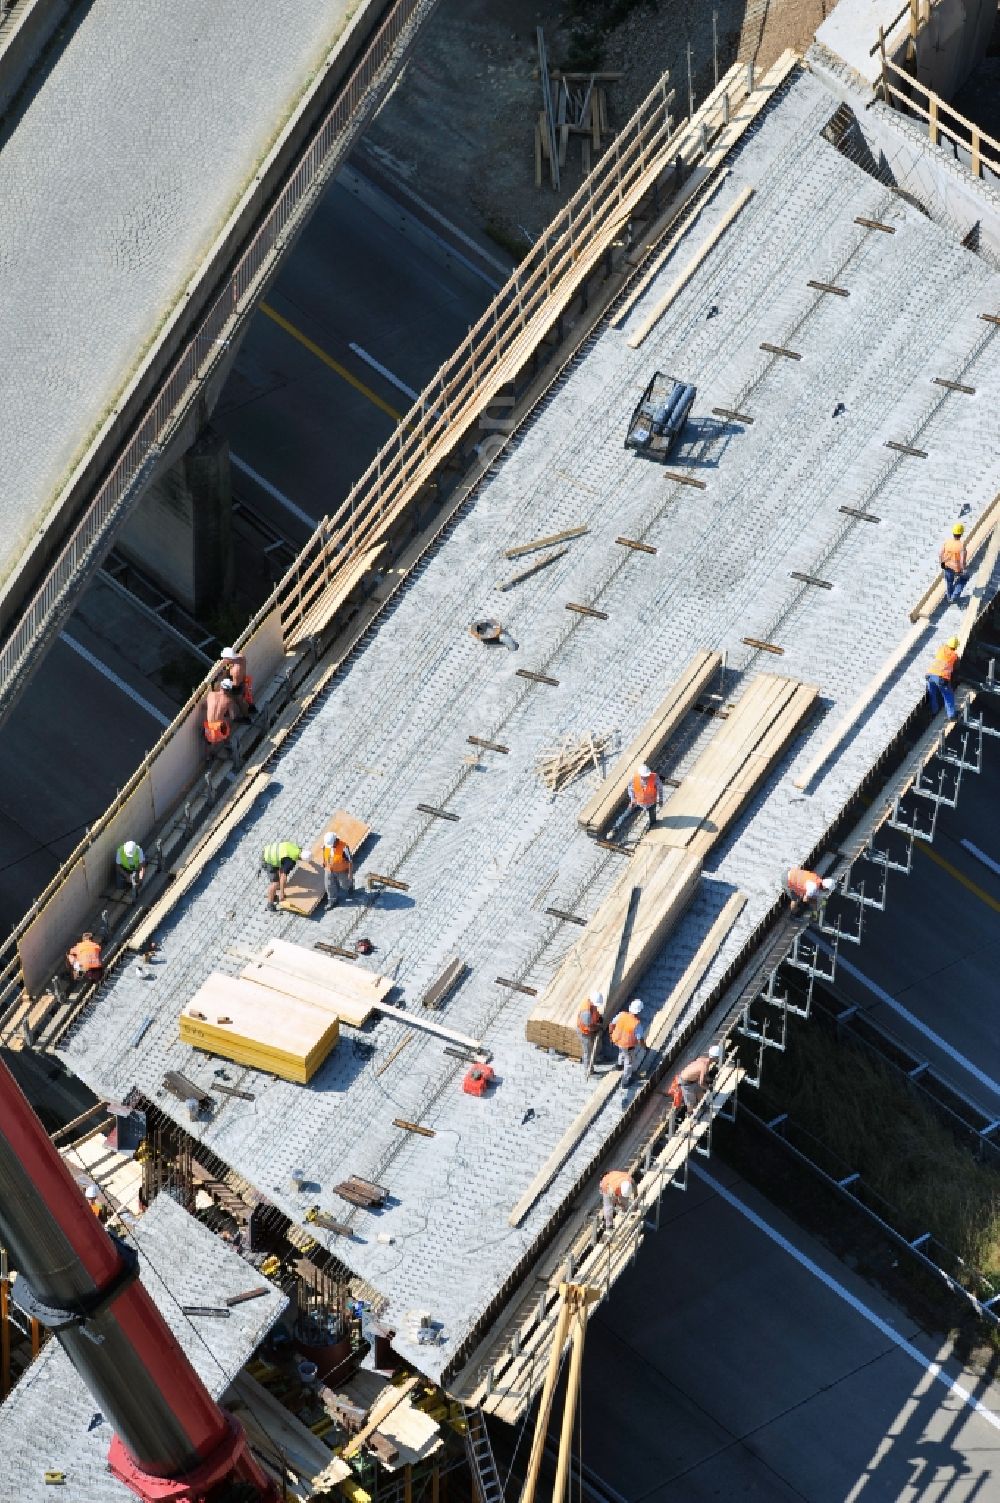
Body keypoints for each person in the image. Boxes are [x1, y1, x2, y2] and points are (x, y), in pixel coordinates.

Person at [609, 999, 646, 1088]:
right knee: (629, 1063)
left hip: (617, 1040)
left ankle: (619, 1065)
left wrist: (611, 1035)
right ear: (639, 1011)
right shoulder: (636, 1023)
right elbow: (640, 1038)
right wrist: (644, 1047)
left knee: (621, 1052)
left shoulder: (622, 1015)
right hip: (627, 1046)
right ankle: (625, 1082)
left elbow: (611, 1024)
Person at [677, 1045, 722, 1113]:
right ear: (715, 1058)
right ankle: (690, 1113)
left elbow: (702, 1075)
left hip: (693, 1080)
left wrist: (709, 1080)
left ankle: (702, 1106)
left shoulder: (702, 1059)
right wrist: (708, 1088)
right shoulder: (704, 1067)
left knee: (700, 1092)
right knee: (690, 1101)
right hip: (685, 1083)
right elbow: (701, 1083)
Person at [926, 635, 960, 722]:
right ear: (955, 647)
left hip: (930, 675)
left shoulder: (941, 649)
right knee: (948, 695)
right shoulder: (954, 656)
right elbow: (956, 667)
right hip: (941, 678)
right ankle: (952, 715)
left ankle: (934, 712)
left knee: (932, 694)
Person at [262, 840, 303, 908]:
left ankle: (274, 895)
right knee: (275, 883)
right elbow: (283, 876)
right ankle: (270, 904)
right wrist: (282, 893)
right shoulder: (290, 861)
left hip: (270, 852)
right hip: (267, 859)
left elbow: (282, 869)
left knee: (279, 876)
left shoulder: (296, 848)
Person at [203, 679, 237, 756]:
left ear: (221, 686)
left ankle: (208, 759)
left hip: (209, 726)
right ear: (229, 690)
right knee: (225, 726)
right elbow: (232, 717)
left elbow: (204, 706)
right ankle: (228, 746)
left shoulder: (211, 694)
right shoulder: (229, 700)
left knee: (209, 743)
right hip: (219, 728)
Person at [321, 831, 354, 910]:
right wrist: (324, 862)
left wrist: (350, 873)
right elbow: (324, 853)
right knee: (328, 885)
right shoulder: (326, 845)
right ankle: (332, 901)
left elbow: (350, 861)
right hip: (329, 869)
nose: (331, 846)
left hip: (341, 870)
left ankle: (350, 885)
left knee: (344, 885)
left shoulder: (344, 847)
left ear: (336, 840)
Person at [220, 647, 255, 718]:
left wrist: (225, 683)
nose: (223, 660)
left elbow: (236, 684)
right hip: (244, 680)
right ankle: (252, 708)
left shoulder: (235, 671)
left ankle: (246, 717)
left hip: (238, 685)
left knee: (240, 702)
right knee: (247, 694)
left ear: (229, 658)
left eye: (225, 658)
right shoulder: (241, 657)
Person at [576, 991, 605, 1076]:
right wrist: (598, 1028)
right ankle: (588, 1070)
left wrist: (599, 1018)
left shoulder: (591, 1003)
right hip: (585, 1033)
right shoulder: (586, 1013)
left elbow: (595, 1012)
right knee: (587, 1052)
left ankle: (597, 1057)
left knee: (595, 1045)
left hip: (591, 1028)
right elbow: (589, 1027)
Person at [627, 763, 663, 831]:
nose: (646, 777)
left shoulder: (654, 777)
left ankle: (652, 826)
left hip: (651, 803)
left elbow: (660, 789)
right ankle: (615, 828)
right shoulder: (634, 778)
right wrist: (632, 799)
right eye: (644, 776)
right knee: (627, 814)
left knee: (652, 818)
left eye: (647, 775)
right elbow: (630, 789)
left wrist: (660, 799)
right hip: (638, 802)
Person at [939, 524, 968, 605]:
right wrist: (963, 570)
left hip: (947, 566)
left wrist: (942, 563)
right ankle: (954, 595)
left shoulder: (947, 542)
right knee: (964, 579)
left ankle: (949, 598)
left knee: (949, 582)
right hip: (957, 568)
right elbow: (962, 561)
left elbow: (940, 553)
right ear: (961, 534)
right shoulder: (961, 546)